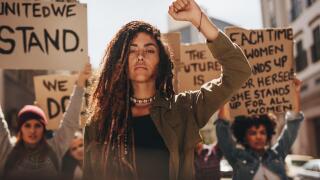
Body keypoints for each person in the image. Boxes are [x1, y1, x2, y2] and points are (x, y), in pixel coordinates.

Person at [83, 0, 251, 180]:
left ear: (161, 62)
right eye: (132, 51)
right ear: (120, 61)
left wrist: (198, 19)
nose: (140, 56)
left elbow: (238, 71)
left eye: (149, 51)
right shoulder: (100, 123)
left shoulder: (183, 109)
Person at [0, 63, 91, 180]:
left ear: (44, 128)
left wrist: (80, 84)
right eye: (27, 125)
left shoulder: (54, 147)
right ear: (20, 128)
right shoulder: (7, 150)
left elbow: (70, 122)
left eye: (37, 125)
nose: (32, 130)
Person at [216, 78, 304, 180]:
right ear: (244, 136)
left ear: (268, 135)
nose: (259, 137)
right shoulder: (237, 157)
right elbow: (222, 128)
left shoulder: (278, 154)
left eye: (262, 132)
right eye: (253, 133)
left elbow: (293, 124)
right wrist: (226, 94)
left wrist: (295, 92)